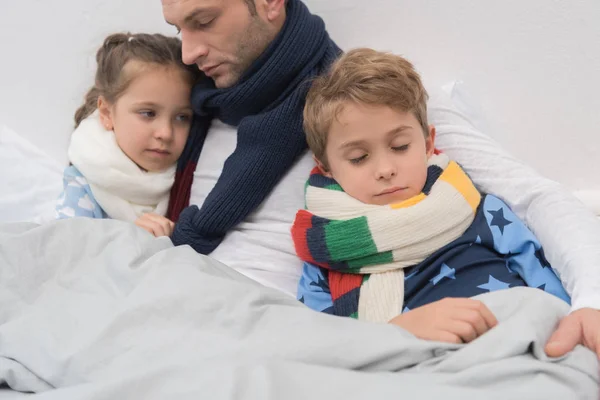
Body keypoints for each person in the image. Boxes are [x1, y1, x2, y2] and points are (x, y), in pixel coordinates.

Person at [161, 0, 600, 357]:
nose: (188, 52)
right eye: (181, 30)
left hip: (293, 350)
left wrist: (590, 302)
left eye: (205, 21)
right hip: (185, 321)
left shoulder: (377, 108)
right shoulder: (194, 115)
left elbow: (537, 199)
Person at [291, 48, 569, 342]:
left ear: (427, 145)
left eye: (400, 146)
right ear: (327, 168)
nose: (385, 169)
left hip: (518, 342)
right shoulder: (324, 255)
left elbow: (554, 304)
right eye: (359, 157)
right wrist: (398, 333)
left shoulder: (481, 211)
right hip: (419, 373)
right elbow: (323, 349)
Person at [55, 32, 198, 237]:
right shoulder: (84, 182)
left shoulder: (190, 178)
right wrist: (130, 240)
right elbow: (70, 253)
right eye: (148, 113)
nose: (165, 133)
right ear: (106, 112)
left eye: (182, 117)